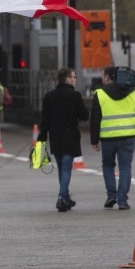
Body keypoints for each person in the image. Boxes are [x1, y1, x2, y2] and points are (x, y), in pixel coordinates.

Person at [90, 66, 135, 211]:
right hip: (128, 136)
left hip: (108, 138)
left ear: (108, 77)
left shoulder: (100, 93)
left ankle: (111, 195)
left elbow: (95, 118)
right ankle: (123, 201)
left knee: (108, 165)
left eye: (103, 75)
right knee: (125, 167)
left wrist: (94, 140)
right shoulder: (132, 91)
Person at [38, 68, 89, 212]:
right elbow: (84, 115)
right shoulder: (75, 95)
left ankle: (65, 198)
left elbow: (45, 120)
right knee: (67, 168)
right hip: (70, 136)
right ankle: (61, 197)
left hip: (55, 137)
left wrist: (42, 138)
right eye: (73, 77)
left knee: (62, 168)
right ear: (67, 79)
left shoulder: (49, 96)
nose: (75, 80)